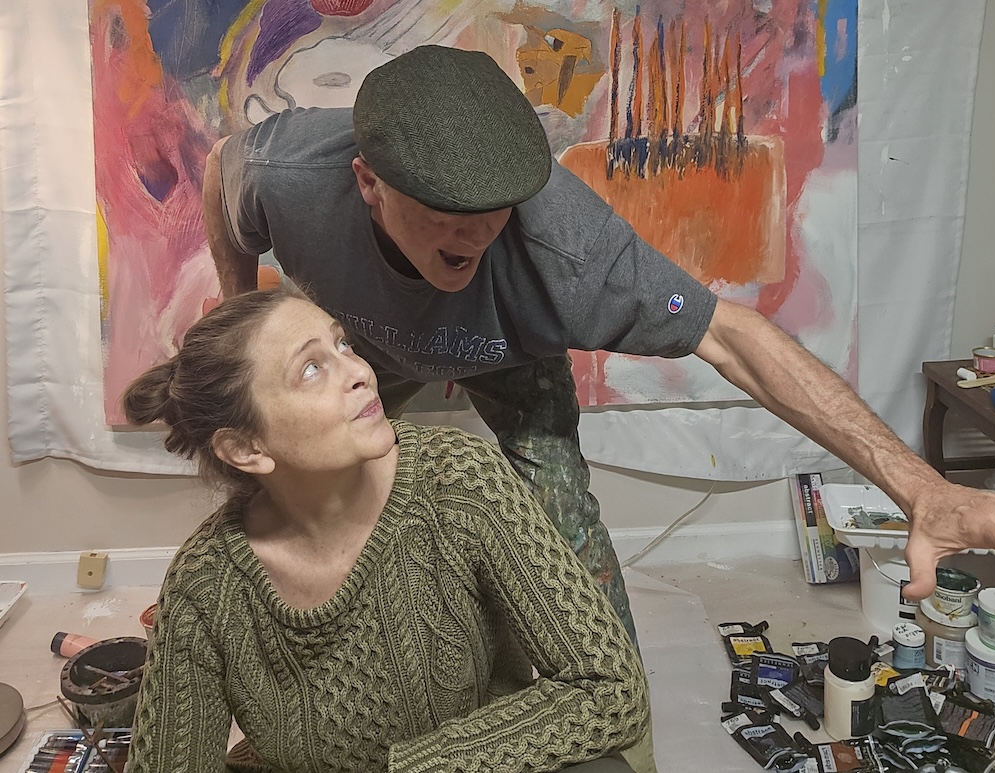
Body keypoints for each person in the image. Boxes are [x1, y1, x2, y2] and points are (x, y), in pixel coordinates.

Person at [203, 44, 995, 651]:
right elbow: (219, 174)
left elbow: (734, 336)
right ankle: (250, 650)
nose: (474, 234)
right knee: (287, 480)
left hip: (510, 353)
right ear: (368, 182)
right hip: (368, 349)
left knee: (566, 536)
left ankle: (614, 713)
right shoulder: (287, 171)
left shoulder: (573, 255)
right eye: (444, 211)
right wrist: (240, 316)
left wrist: (920, 486)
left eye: (494, 209)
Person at [124, 288, 649, 773]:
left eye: (342, 344)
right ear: (246, 448)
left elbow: (612, 688)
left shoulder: (461, 481)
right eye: (311, 369)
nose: (359, 372)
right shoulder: (205, 583)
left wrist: (423, 767)